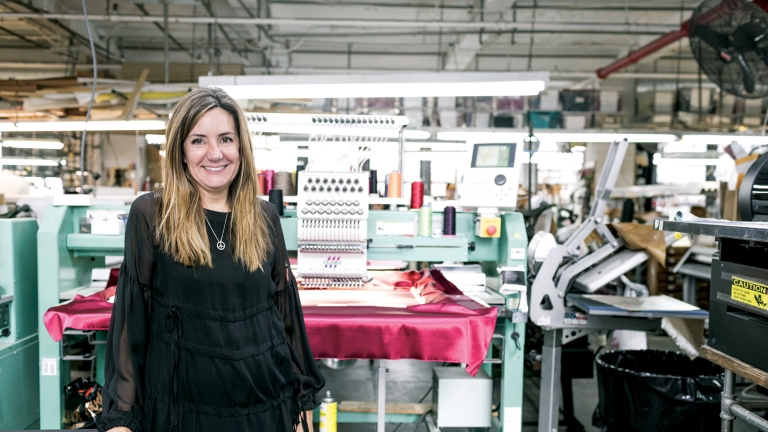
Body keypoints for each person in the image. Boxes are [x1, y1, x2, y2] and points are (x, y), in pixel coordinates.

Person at [98, 87, 324, 432]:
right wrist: (122, 418)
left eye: (226, 139)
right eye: (199, 140)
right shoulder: (151, 214)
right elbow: (132, 322)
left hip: (263, 405)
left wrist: (303, 402)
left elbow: (284, 316)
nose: (215, 154)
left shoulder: (264, 216)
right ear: (181, 151)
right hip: (182, 411)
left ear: (240, 147)